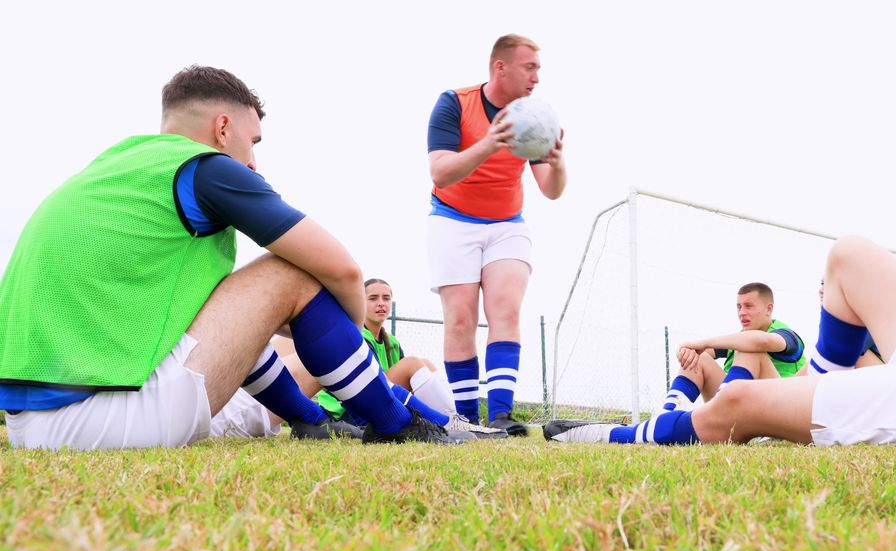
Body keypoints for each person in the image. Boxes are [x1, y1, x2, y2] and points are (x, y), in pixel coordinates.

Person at [0, 65, 455, 450]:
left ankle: (312, 421)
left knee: (224, 296)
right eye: (253, 141)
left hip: (34, 424)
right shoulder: (205, 167)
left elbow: (238, 318)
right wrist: (351, 337)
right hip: (97, 417)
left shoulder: (115, 166)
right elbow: (342, 269)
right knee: (289, 271)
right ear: (222, 128)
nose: (254, 160)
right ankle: (395, 425)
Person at [544, 200, 896, 447]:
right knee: (850, 254)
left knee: (737, 404)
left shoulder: (777, 334)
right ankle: (813, 387)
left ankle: (618, 436)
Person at [426, 34, 568, 435]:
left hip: (507, 224)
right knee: (460, 319)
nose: (537, 78)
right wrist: (488, 144)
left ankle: (501, 415)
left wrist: (556, 163)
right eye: (530, 67)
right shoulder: (454, 103)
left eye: (538, 69)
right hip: (452, 220)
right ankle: (467, 418)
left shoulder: (534, 116)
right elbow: (440, 171)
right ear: (500, 67)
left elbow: (551, 190)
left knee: (505, 309)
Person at [265, 278, 508, 439]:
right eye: (373, 298)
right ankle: (454, 423)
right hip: (348, 408)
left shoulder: (391, 342)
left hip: (382, 398)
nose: (381, 304)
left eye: (386, 298)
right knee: (413, 364)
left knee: (425, 364)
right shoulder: (350, 333)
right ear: (360, 301)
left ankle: (455, 421)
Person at [657, 283, 806, 413]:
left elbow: (762, 341)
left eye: (749, 306)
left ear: (769, 309)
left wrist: (703, 343)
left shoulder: (786, 335)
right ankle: (667, 414)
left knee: (750, 350)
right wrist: (684, 350)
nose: (742, 313)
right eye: (739, 307)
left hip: (779, 408)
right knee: (699, 357)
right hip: (741, 406)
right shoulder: (740, 339)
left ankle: (720, 413)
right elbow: (697, 351)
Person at [793, 278, 883, 376]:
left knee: (848, 349)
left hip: (885, 381)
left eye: (830, 285)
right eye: (822, 283)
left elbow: (829, 357)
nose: (821, 290)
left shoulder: (864, 319)